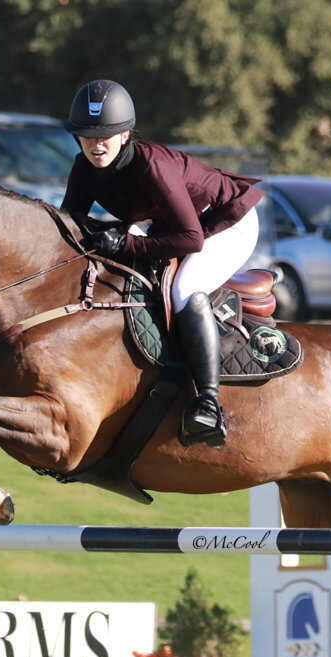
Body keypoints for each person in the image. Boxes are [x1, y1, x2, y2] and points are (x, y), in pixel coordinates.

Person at [60, 79, 262, 447]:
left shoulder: (153, 166)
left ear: (125, 134)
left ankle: (208, 404)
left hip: (227, 222)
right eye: (87, 135)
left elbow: (192, 239)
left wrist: (125, 242)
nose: (95, 144)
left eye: (105, 134)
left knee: (186, 287)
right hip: (175, 226)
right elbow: (68, 227)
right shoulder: (84, 168)